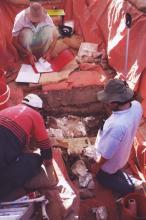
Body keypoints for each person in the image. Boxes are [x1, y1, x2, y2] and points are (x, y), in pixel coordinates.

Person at [0, 93, 57, 201]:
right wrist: (48, 163)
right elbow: (45, 145)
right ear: (37, 109)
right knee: (35, 160)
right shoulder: (35, 115)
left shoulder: (8, 110)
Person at [92, 79, 143, 196]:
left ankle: (129, 188)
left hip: (109, 166)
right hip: (123, 155)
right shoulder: (136, 106)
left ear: (115, 103)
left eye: (107, 101)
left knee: (103, 178)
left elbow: (107, 154)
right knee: (116, 170)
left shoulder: (116, 125)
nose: (105, 103)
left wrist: (97, 166)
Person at [12, 1, 59, 66]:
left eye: (38, 19)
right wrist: (28, 54)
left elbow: (56, 37)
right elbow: (14, 41)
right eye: (34, 19)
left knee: (49, 30)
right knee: (27, 34)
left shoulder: (46, 17)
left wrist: (49, 52)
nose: (36, 21)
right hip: (27, 49)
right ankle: (28, 56)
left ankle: (43, 56)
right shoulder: (20, 17)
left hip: (40, 45)